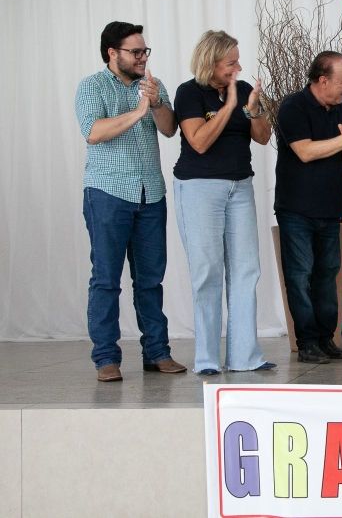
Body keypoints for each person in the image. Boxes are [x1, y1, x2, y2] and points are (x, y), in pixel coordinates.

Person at [75, 21, 186, 382]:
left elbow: (169, 129)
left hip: (150, 194)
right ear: (113, 53)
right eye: (135, 52)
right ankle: (106, 358)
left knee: (151, 279)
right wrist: (137, 112)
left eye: (145, 51)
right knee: (106, 279)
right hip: (107, 194)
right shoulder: (91, 87)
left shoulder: (153, 85)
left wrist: (154, 105)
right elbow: (93, 132)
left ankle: (157, 353)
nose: (142, 57)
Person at [173, 30, 276, 376]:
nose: (239, 67)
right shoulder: (188, 93)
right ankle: (207, 359)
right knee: (207, 272)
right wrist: (229, 107)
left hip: (240, 186)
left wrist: (252, 109)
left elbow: (263, 137)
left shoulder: (244, 89)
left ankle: (245, 356)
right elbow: (198, 142)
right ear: (211, 63)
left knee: (247, 269)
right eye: (231, 62)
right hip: (199, 188)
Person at [275, 51, 342, 363]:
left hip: (331, 207)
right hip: (296, 208)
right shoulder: (293, 107)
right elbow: (304, 152)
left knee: (327, 274)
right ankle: (306, 342)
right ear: (322, 80)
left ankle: (325, 338)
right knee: (300, 274)